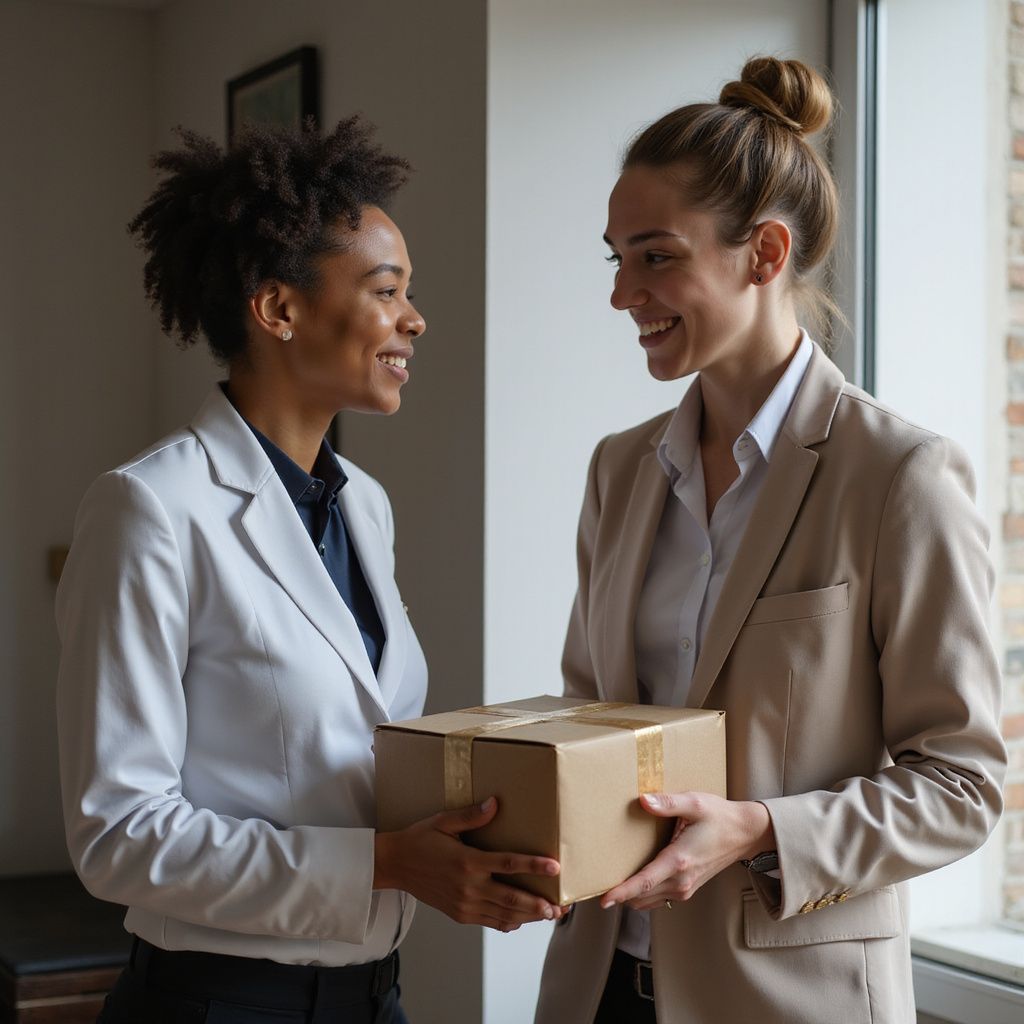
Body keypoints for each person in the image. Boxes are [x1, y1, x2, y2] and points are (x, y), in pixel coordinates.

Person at [56, 118, 562, 1024]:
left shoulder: (363, 505)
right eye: (386, 290)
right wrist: (386, 862)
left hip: (373, 997)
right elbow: (118, 835)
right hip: (220, 1002)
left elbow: (350, 754)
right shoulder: (149, 510)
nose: (414, 318)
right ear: (279, 309)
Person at [534, 57, 1006, 1024]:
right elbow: (590, 724)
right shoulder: (619, 472)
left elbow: (961, 784)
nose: (624, 294)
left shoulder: (899, 474)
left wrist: (756, 830)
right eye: (616, 258)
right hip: (598, 991)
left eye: (656, 256)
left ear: (765, 253)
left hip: (793, 999)